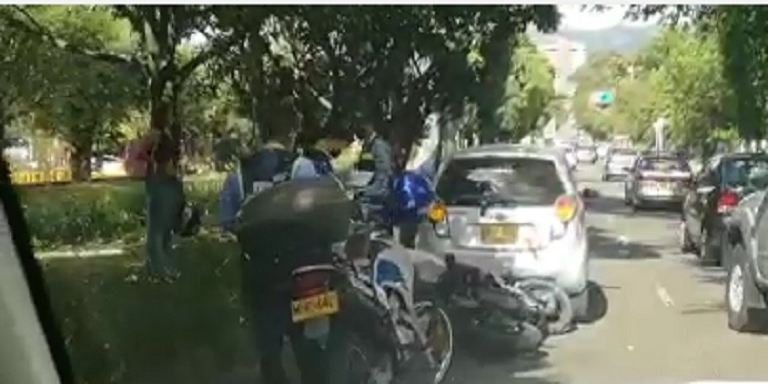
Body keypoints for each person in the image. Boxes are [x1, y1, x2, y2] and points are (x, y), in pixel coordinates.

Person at [218, 112, 329, 384]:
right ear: (291, 134)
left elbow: (227, 223)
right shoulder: (303, 167)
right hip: (306, 273)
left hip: (261, 274)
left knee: (270, 354)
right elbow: (321, 212)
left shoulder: (240, 174)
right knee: (312, 351)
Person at [144, 118, 185, 280]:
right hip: (163, 185)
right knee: (159, 231)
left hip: (161, 185)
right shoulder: (163, 140)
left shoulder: (166, 138)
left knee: (160, 230)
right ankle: (160, 269)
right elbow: (165, 166)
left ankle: (159, 268)